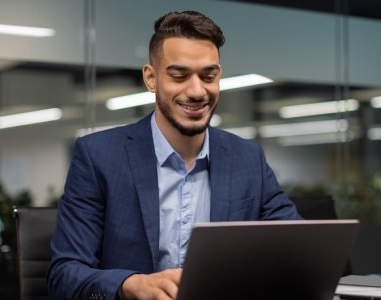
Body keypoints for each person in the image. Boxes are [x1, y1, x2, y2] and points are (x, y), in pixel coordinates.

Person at [47, 10, 302, 300]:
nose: (197, 91)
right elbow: (64, 275)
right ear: (151, 78)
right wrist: (131, 285)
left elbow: (298, 252)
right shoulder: (98, 157)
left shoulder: (247, 159)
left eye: (209, 76)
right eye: (179, 76)